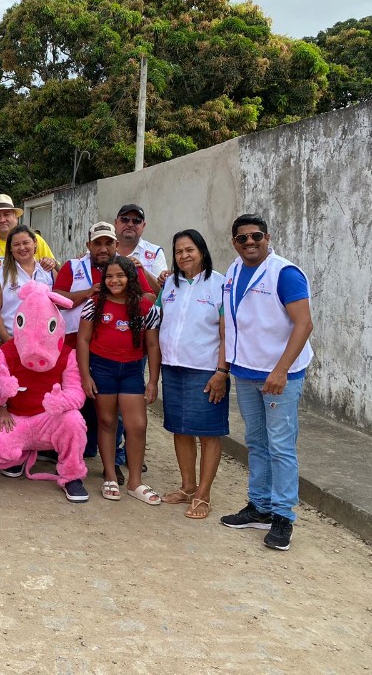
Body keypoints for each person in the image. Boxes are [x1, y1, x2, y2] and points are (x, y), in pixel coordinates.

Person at [220, 214, 313, 552]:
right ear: (234, 243)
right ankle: (260, 506)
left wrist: (281, 370)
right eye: (242, 238)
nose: (250, 242)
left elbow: (304, 324)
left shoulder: (284, 273)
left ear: (267, 237)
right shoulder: (233, 270)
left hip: (278, 377)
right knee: (256, 442)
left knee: (281, 446)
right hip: (245, 372)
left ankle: (283, 516)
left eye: (256, 236)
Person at [53, 221, 155, 469]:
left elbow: (149, 295)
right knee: (87, 400)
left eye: (108, 243)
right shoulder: (73, 266)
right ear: (88, 245)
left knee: (120, 409)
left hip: (125, 345)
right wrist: (87, 293)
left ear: (116, 244)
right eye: (97, 243)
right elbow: (56, 297)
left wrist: (124, 303)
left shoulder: (127, 266)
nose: (103, 248)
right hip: (76, 344)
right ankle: (83, 450)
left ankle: (119, 457)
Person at [77, 257, 162, 505]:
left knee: (137, 425)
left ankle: (135, 482)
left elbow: (153, 345)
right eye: (109, 276)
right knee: (107, 422)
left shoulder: (145, 307)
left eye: (120, 276)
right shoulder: (95, 304)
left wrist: (153, 380)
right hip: (102, 369)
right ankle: (111, 476)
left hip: (132, 371)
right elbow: (83, 340)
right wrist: (85, 376)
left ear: (131, 278)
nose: (114, 281)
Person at [158, 229, 229, 519]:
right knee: (181, 429)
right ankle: (188, 486)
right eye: (178, 251)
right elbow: (158, 318)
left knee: (209, 433)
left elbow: (226, 333)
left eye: (190, 250)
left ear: (202, 251)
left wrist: (222, 371)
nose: (184, 255)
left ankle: (203, 494)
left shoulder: (220, 284)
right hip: (173, 367)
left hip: (206, 370)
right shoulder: (170, 284)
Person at [0, 194, 57, 330]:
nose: (2, 220)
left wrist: (53, 262)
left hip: (33, 321)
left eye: (6, 214)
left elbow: (54, 266)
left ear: (16, 216)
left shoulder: (35, 240)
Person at [0, 225, 55, 343]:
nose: (22, 248)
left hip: (45, 342)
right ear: (10, 248)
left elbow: (61, 301)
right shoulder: (1, 274)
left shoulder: (48, 271)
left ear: (35, 243)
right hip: (13, 340)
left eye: (26, 243)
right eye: (16, 244)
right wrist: (7, 339)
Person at [114, 204, 167, 294]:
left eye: (136, 221)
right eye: (125, 219)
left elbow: (163, 292)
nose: (130, 224)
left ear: (144, 225)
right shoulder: (104, 251)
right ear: (115, 223)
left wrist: (142, 271)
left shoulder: (155, 252)